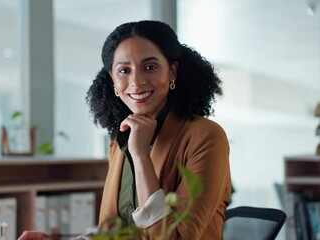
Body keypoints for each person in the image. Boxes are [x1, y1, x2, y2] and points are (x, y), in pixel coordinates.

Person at [19, 20, 231, 240]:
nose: (136, 82)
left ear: (172, 72)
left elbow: (176, 237)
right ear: (112, 79)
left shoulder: (206, 137)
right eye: (124, 70)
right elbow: (115, 234)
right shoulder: (119, 138)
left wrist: (140, 156)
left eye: (150, 67)